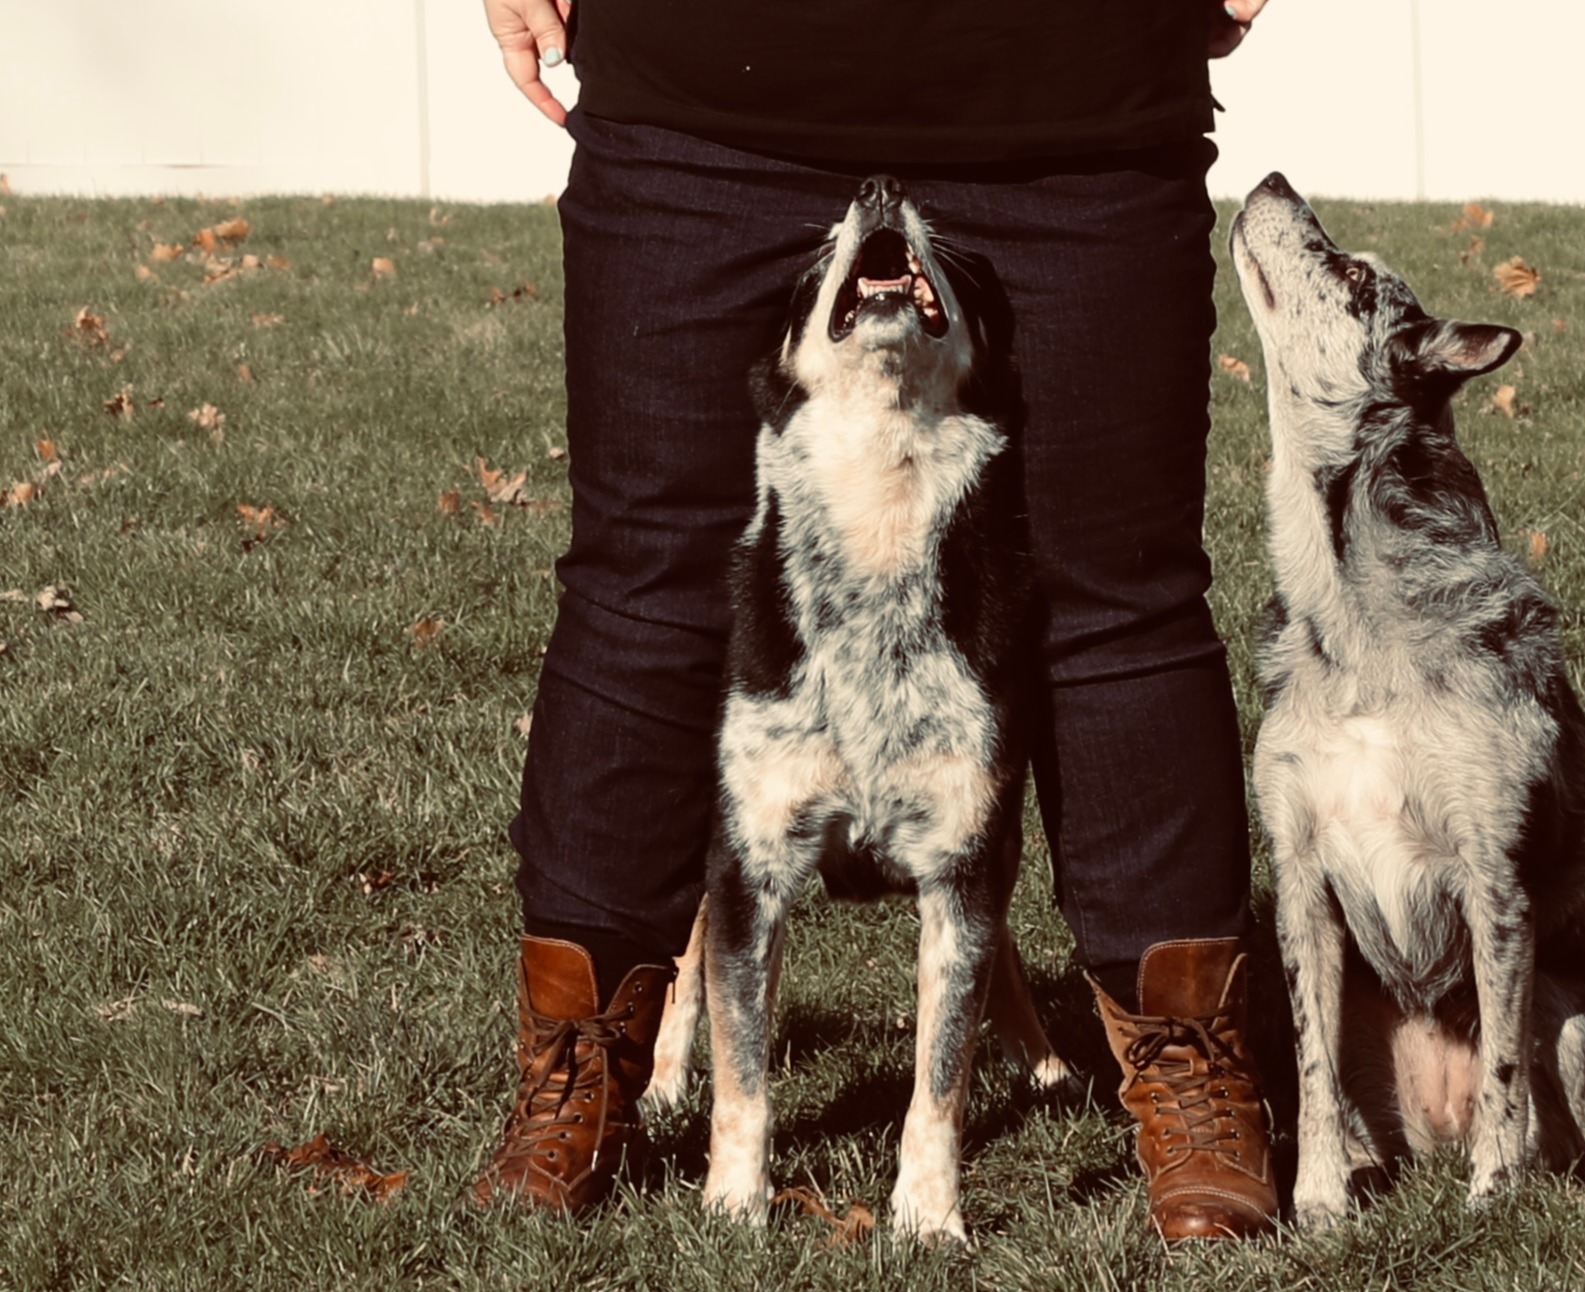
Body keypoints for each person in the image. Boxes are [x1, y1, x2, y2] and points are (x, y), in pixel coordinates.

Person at [469, 0, 1281, 1241]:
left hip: (1077, 96)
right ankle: (575, 1060)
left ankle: (1185, 1055)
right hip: (699, 95)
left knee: (1120, 590)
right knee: (644, 584)